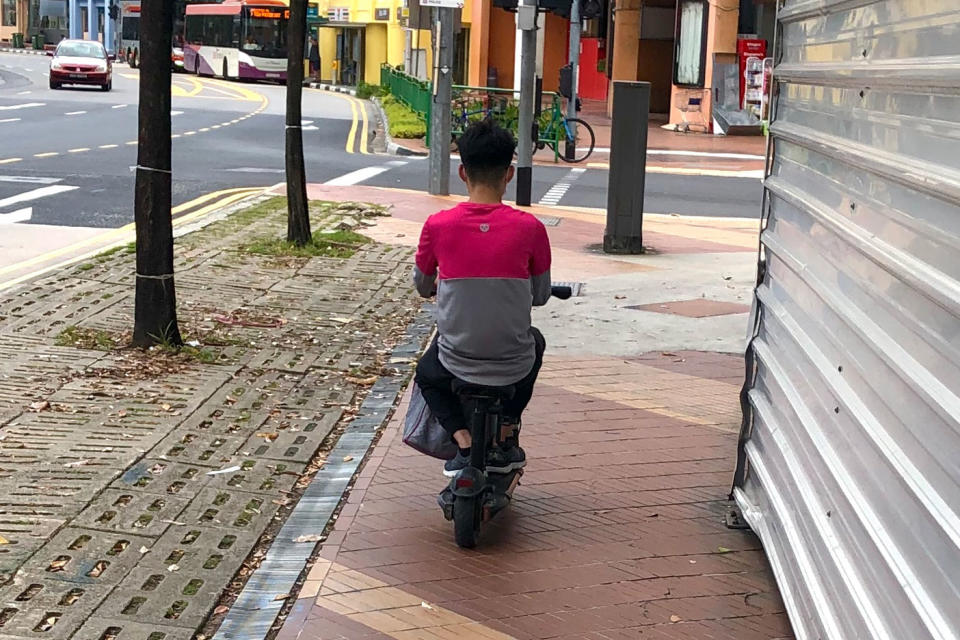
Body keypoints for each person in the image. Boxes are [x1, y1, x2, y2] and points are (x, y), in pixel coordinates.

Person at [413, 118, 552, 477]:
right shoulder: (531, 229)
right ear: (508, 174)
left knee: (426, 374)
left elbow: (422, 283)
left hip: (455, 358)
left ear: (462, 172)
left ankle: (462, 440)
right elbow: (540, 296)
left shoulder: (437, 226)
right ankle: (507, 432)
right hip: (512, 361)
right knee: (535, 343)